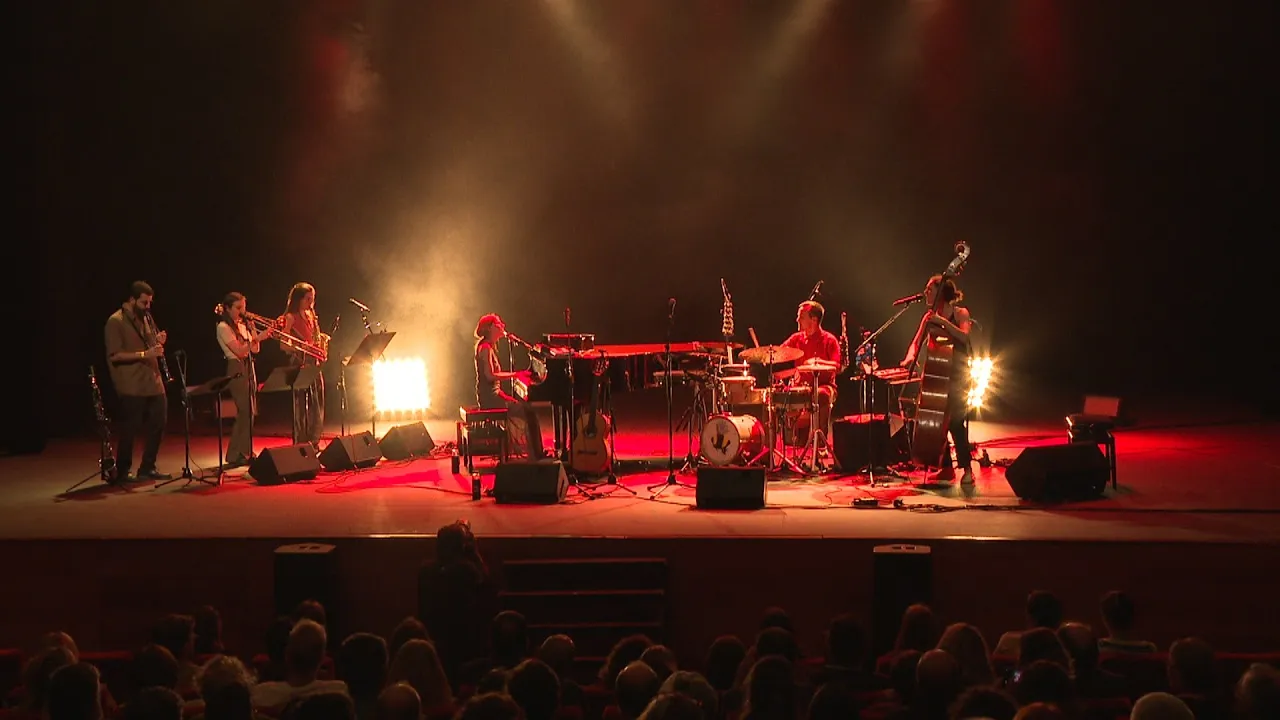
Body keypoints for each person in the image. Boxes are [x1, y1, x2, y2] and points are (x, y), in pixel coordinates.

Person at [900, 274, 974, 483]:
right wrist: (910, 358)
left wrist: (941, 321)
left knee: (955, 422)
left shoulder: (960, 313)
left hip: (958, 376)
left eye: (929, 289)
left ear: (941, 292)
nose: (925, 293)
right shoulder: (928, 316)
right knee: (936, 423)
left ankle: (967, 469)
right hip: (937, 374)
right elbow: (916, 342)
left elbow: (964, 336)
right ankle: (947, 467)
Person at [104, 281, 172, 482]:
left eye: (150, 302)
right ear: (132, 300)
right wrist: (145, 353)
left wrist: (157, 341)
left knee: (158, 424)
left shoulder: (146, 318)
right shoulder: (115, 321)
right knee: (130, 429)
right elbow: (114, 355)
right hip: (132, 383)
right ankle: (123, 471)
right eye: (144, 302)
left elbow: (150, 346)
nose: (148, 307)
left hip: (153, 380)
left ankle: (148, 467)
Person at [474, 313, 545, 459]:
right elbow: (489, 376)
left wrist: (518, 375)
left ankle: (528, 451)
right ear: (491, 328)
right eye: (499, 323)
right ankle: (536, 454)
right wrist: (516, 375)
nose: (503, 326)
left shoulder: (487, 347)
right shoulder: (485, 348)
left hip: (494, 395)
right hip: (490, 399)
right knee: (529, 412)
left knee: (525, 408)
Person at [216, 293, 273, 466]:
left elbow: (255, 350)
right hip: (236, 367)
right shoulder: (223, 327)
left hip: (249, 367)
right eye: (238, 308)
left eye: (244, 307)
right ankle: (235, 453)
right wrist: (258, 337)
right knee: (244, 412)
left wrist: (254, 330)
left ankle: (245, 452)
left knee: (250, 412)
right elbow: (239, 351)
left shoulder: (242, 326)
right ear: (227, 308)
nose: (242, 312)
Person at [781, 300, 841, 457]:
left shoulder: (829, 340)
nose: (797, 320)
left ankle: (820, 446)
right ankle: (771, 452)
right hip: (801, 387)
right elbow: (780, 352)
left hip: (825, 386)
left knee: (821, 395)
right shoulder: (796, 339)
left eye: (801, 317)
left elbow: (837, 366)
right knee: (773, 396)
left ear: (814, 320)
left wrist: (817, 362)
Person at [280, 282, 328, 446]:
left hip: (313, 362)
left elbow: (315, 338)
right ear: (298, 299)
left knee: (318, 403)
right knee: (300, 406)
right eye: (308, 299)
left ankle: (314, 441)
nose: (311, 303)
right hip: (299, 362)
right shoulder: (290, 317)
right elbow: (283, 345)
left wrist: (320, 346)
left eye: (313, 299)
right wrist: (302, 346)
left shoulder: (311, 317)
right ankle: (301, 443)